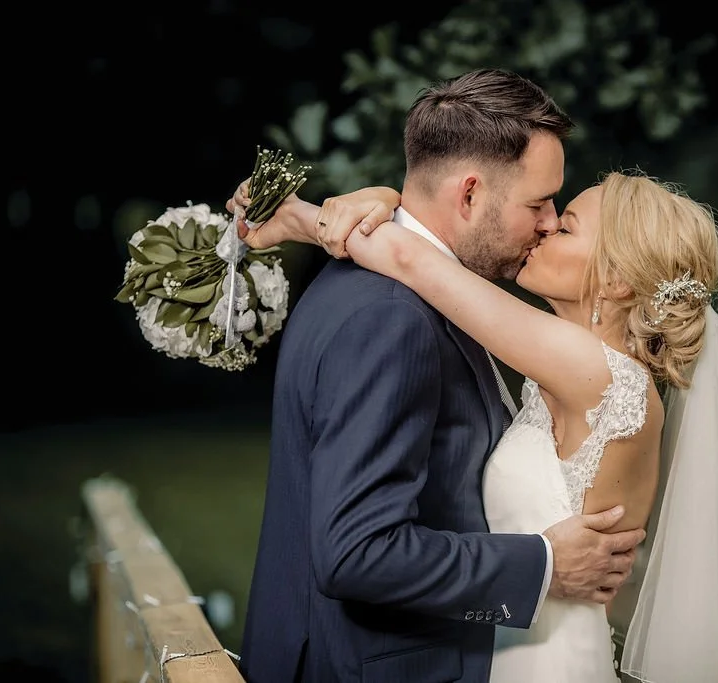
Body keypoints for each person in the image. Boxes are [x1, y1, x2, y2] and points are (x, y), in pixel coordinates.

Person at [231, 165, 718, 682]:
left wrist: (301, 217)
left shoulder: (598, 374)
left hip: (547, 660)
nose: (544, 227)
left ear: (614, 280)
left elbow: (412, 260)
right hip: (514, 642)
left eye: (566, 227)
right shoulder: (576, 372)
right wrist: (387, 202)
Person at [228, 68, 648, 683]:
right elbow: (356, 552)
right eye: (538, 202)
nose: (548, 221)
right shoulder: (391, 318)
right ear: (470, 195)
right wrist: (543, 567)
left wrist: (311, 218)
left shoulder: (383, 285)